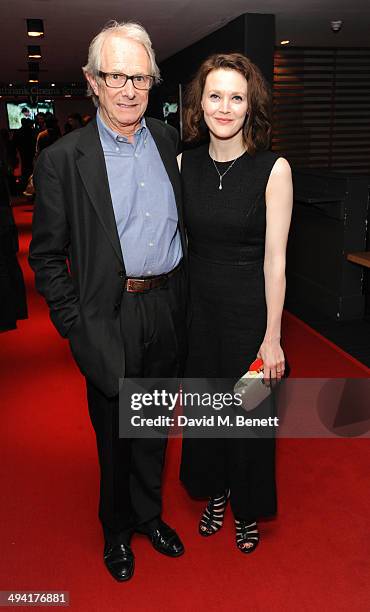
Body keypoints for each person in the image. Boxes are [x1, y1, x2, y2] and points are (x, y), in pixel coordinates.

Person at [29, 20, 188, 582]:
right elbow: (47, 257)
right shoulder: (63, 160)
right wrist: (78, 327)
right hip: (107, 318)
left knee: (153, 429)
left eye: (139, 78)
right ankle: (116, 531)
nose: (128, 89)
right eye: (115, 75)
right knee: (116, 434)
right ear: (92, 81)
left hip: (164, 310)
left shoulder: (169, 143)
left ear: (152, 83)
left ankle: (149, 516)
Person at [178, 53, 293, 553]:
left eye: (237, 98)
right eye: (215, 96)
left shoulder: (274, 169)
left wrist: (272, 337)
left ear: (252, 107)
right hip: (198, 312)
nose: (225, 108)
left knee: (246, 418)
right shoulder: (183, 164)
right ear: (199, 104)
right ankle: (218, 491)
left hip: (249, 314)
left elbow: (276, 261)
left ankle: (246, 506)